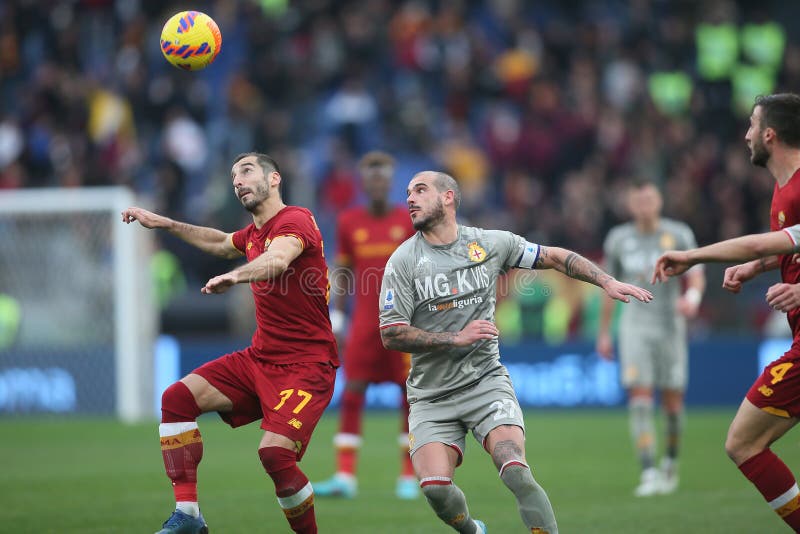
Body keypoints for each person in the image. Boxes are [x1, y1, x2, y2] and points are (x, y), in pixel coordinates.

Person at [378, 171, 653, 534]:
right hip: (431, 395)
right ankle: (473, 531)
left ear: (448, 197)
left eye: (420, 190)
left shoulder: (489, 243)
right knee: (436, 490)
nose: (410, 198)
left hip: (485, 383)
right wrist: (455, 338)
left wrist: (606, 280)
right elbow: (391, 333)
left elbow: (554, 256)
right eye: (408, 192)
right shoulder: (403, 261)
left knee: (515, 470)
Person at [122, 152, 338, 534]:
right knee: (177, 399)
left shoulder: (295, 220)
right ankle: (188, 516)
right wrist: (165, 223)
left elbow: (278, 259)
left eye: (247, 171)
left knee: (274, 455)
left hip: (306, 367)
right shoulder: (253, 233)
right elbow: (222, 241)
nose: (237, 180)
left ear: (274, 179)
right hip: (260, 359)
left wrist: (235, 277)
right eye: (233, 176)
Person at [652, 92, 800, 532]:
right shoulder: (784, 189)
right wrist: (758, 266)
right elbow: (780, 247)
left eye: (752, 125)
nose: (746, 134)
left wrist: (692, 257)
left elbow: (761, 242)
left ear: (770, 135)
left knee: (743, 443)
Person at [314, 151, 418, 499]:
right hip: (363, 325)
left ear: (390, 183)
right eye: (371, 178)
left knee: (409, 396)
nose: (377, 184)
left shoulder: (407, 221)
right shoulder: (349, 221)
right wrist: (337, 317)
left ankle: (409, 475)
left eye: (383, 178)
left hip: (402, 324)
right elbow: (342, 273)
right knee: (352, 391)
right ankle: (345, 477)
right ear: (363, 182)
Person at [596, 179, 706, 497]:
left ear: (659, 201)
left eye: (649, 198)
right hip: (634, 326)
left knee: (672, 402)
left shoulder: (679, 233)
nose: (644, 204)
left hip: (671, 323)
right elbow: (608, 286)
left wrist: (694, 298)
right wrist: (604, 333)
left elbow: (696, 274)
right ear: (631, 204)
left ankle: (670, 463)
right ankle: (648, 471)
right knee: (641, 400)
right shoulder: (618, 238)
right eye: (638, 199)